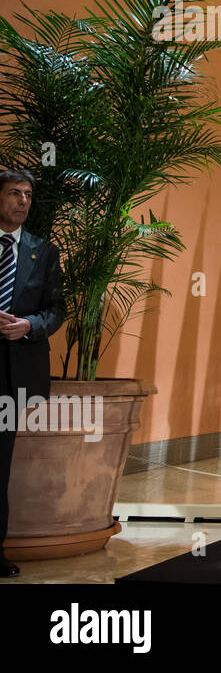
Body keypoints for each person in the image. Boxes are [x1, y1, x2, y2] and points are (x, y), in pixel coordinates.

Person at [0, 169, 67, 576]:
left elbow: (56, 309)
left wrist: (29, 327)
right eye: (13, 193)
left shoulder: (43, 252)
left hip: (13, 374)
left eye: (27, 194)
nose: (23, 201)